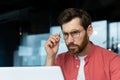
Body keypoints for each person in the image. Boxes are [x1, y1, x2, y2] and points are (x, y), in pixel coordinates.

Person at [44, 8, 120, 80]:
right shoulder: (60, 60)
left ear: (89, 30)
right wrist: (50, 56)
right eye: (66, 34)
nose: (69, 40)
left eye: (75, 33)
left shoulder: (112, 60)